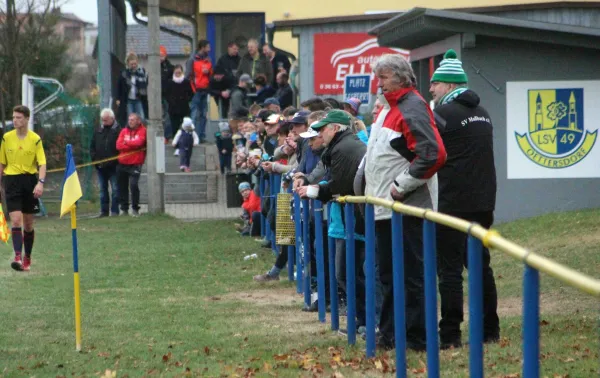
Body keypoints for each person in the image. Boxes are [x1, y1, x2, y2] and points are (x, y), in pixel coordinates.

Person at [365, 54, 447, 351]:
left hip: (408, 208)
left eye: (383, 77)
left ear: (401, 77)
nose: (379, 83)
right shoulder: (388, 108)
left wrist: (401, 186)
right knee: (388, 274)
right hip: (385, 208)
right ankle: (391, 334)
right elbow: (377, 152)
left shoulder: (411, 106)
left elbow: (433, 154)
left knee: (411, 276)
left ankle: (417, 338)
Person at [429, 49, 500, 349]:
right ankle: (490, 330)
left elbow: (429, 152)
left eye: (434, 83)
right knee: (481, 267)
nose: (430, 89)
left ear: (448, 85)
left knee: (449, 271)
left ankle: (450, 335)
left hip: (452, 203)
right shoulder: (482, 113)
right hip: (483, 203)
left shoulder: (442, 114)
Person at [0, 105, 46, 271]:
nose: (15, 120)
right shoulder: (6, 138)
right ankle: (18, 257)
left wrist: (40, 183)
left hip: (29, 181)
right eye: (13, 117)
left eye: (19, 117)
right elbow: (2, 163)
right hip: (11, 181)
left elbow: (42, 163)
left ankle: (27, 257)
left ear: (27, 119)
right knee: (16, 220)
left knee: (28, 224)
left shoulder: (35, 139)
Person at [90, 108, 121, 217]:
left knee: (115, 189)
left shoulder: (118, 131)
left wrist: (115, 161)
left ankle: (115, 211)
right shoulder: (98, 130)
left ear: (112, 119)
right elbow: (92, 146)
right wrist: (95, 161)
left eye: (106, 120)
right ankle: (104, 211)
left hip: (114, 167)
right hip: (100, 167)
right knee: (103, 190)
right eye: (102, 120)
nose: (104, 122)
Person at [116, 113, 147, 217]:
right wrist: (131, 144)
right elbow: (118, 145)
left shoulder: (143, 130)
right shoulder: (123, 131)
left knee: (133, 185)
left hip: (135, 163)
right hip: (122, 163)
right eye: (129, 119)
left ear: (138, 121)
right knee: (122, 186)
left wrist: (126, 143)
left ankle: (135, 208)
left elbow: (139, 143)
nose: (130, 121)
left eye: (133, 120)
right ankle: (124, 209)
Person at [187, 39, 212, 144]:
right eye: (208, 47)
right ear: (202, 47)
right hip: (196, 90)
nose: (209, 49)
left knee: (203, 114)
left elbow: (211, 74)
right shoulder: (193, 59)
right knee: (194, 114)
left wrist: (208, 72)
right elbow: (189, 75)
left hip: (205, 90)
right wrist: (193, 89)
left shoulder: (208, 60)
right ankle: (190, 136)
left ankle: (201, 136)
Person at [117, 52, 148, 123]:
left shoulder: (141, 72)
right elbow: (119, 86)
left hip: (138, 99)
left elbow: (145, 84)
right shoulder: (124, 73)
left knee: (142, 118)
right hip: (128, 100)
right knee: (130, 119)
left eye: (135, 64)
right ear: (128, 64)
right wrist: (118, 98)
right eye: (132, 64)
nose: (134, 66)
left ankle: (140, 132)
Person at [166, 64, 194, 139]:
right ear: (174, 73)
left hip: (184, 107)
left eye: (179, 73)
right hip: (173, 108)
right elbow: (166, 94)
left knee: (185, 125)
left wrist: (187, 99)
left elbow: (191, 93)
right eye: (176, 73)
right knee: (175, 126)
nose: (178, 74)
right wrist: (171, 101)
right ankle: (176, 140)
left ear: (182, 72)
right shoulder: (170, 82)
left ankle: (186, 139)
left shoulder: (186, 82)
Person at [160, 45, 174, 142]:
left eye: (162, 55)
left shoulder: (170, 67)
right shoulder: (154, 66)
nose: (160, 57)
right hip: (158, 95)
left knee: (167, 115)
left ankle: (167, 135)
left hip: (168, 95)